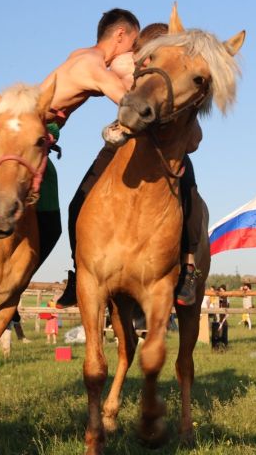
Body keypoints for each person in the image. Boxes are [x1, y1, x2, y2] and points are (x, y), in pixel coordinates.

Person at [0, 8, 140, 293]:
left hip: (40, 144)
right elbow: (132, 104)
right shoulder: (92, 66)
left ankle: (16, 283)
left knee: (51, 226)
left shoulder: (83, 55)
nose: (132, 51)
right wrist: (131, 71)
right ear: (120, 35)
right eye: (133, 44)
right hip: (16, 133)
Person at [62, 22, 207, 307]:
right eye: (141, 52)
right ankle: (79, 271)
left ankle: (188, 266)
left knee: (189, 195)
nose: (141, 56)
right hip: (124, 140)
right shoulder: (129, 66)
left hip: (166, 150)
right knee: (79, 200)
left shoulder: (176, 72)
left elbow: (194, 138)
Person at [211, 285, 229, 351]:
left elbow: (227, 312)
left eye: (222, 290)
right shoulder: (216, 299)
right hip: (216, 318)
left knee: (224, 334)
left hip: (223, 319)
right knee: (215, 334)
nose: (221, 292)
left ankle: (224, 347)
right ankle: (215, 347)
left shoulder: (226, 299)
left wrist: (222, 322)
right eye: (220, 291)